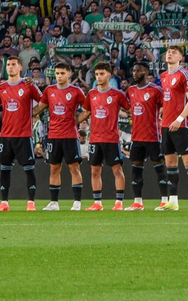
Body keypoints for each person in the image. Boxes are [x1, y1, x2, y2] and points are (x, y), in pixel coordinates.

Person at [0, 56, 43, 211]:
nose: (10, 67)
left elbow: (43, 100)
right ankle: (4, 203)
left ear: (20, 67)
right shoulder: (1, 87)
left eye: (13, 64)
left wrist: (34, 112)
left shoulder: (28, 85)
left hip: (23, 135)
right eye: (8, 64)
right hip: (6, 135)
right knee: (4, 168)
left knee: (28, 168)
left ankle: (31, 202)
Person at [159, 45, 188, 211]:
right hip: (166, 125)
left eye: (174, 52)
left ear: (181, 57)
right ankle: (173, 201)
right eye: (168, 52)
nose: (170, 54)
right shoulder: (163, 76)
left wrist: (179, 119)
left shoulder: (184, 74)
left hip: (182, 124)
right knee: (170, 162)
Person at [42, 62, 87, 211]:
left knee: (74, 167)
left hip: (69, 135)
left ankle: (77, 201)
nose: (59, 76)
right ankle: (54, 202)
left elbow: (88, 108)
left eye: (62, 73)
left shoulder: (76, 91)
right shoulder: (49, 90)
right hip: (53, 135)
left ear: (69, 73)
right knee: (54, 168)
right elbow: (39, 107)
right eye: (57, 73)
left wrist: (76, 121)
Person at [84, 61, 129, 211]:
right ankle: (97, 203)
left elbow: (130, 109)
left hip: (111, 138)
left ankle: (119, 202)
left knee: (117, 170)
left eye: (102, 74)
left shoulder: (117, 94)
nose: (99, 77)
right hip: (95, 139)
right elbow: (86, 112)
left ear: (109, 75)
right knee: (95, 171)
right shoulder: (91, 94)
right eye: (96, 74)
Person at [125, 61, 167, 211]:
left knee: (159, 168)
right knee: (136, 169)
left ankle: (164, 201)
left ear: (146, 72)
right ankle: (138, 202)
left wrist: (160, 117)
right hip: (136, 137)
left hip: (153, 137)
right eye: (134, 71)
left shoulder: (156, 90)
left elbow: (165, 106)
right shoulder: (130, 90)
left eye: (138, 71)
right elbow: (128, 107)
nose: (135, 73)